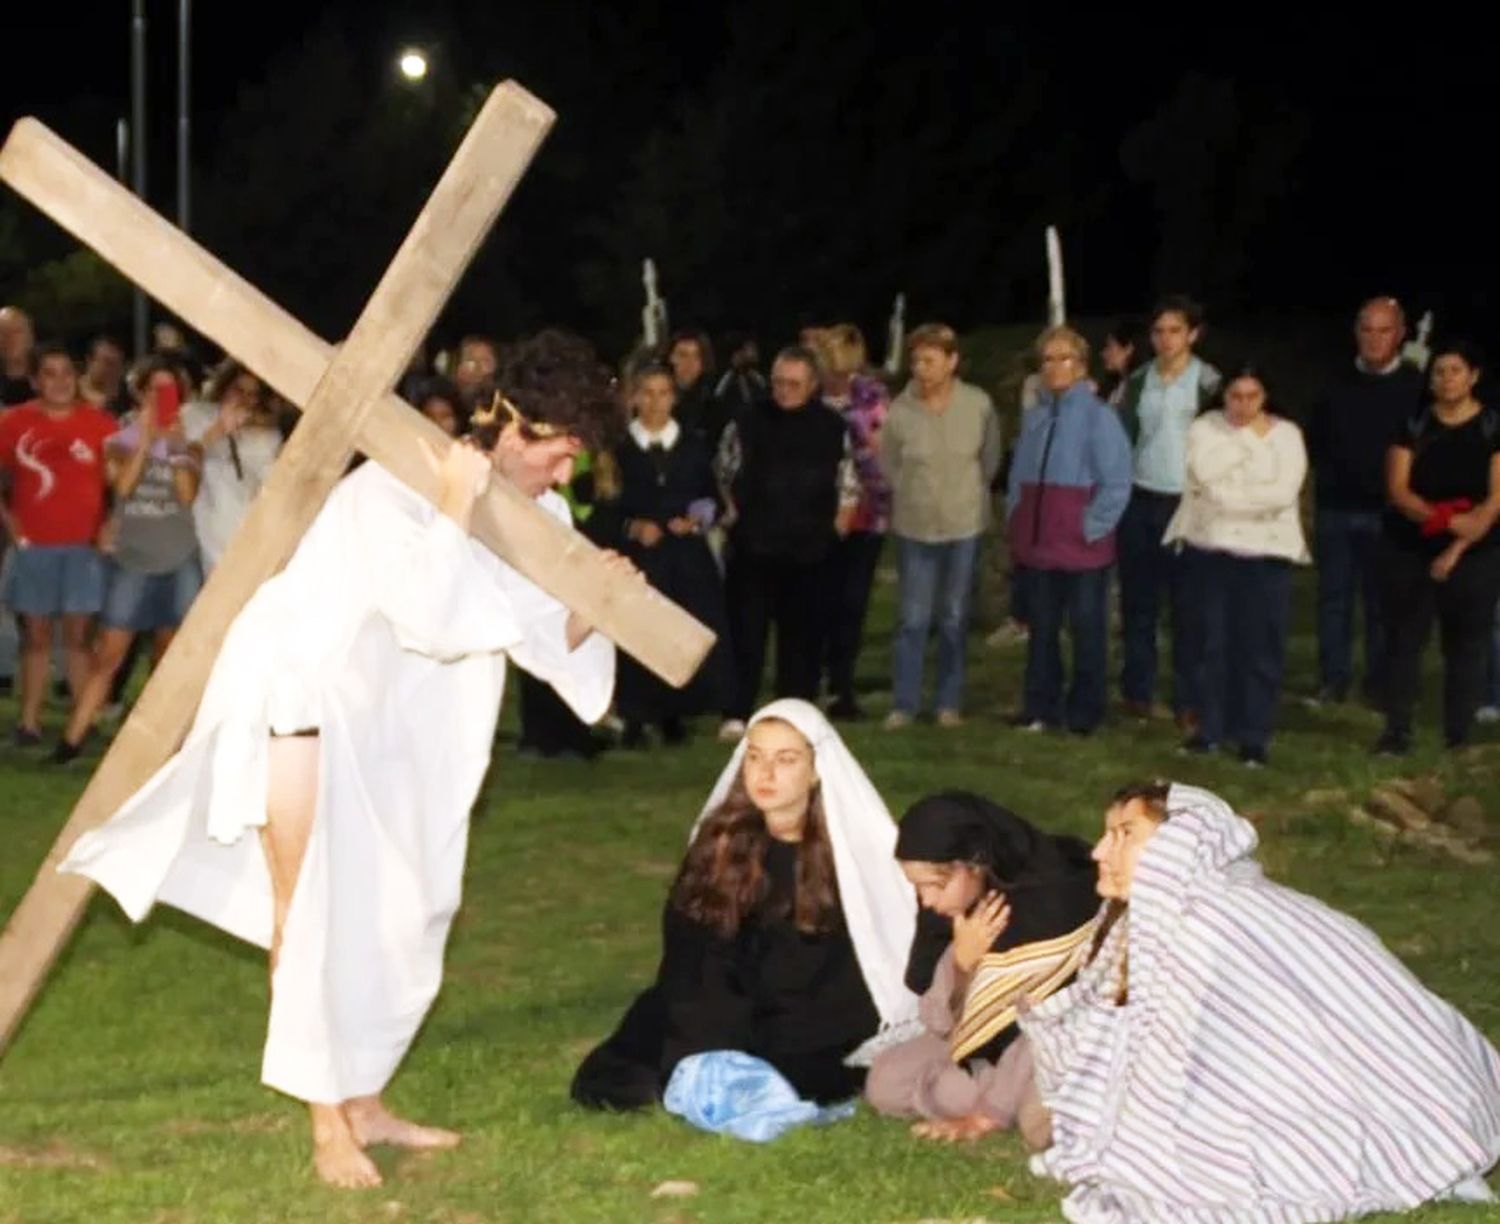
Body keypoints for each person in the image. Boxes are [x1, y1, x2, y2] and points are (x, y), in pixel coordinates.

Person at [60, 329, 625, 1189]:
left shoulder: (540, 516)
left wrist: (597, 605)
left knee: (406, 908)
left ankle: (363, 1098)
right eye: (560, 457)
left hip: (406, 736)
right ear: (516, 428)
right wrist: (449, 509)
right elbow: (428, 613)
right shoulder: (395, 489)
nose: (563, 479)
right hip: (302, 699)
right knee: (314, 906)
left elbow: (539, 640)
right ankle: (327, 1125)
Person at [1021, 781, 1500, 1221]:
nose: (1103, 850)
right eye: (1107, 834)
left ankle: (1413, 1155)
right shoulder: (1168, 916)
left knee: (1202, 1166)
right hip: (1351, 1087)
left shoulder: (1211, 920)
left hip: (1385, 1092)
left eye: (1125, 834)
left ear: (1178, 843)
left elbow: (1245, 1059)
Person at [570, 698, 920, 1111]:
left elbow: (872, 952)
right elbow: (692, 945)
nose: (765, 774)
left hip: (812, 1014)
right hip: (723, 999)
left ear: (815, 772)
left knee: (800, 1070)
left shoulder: (850, 854)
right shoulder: (720, 842)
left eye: (785, 759)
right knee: (630, 1064)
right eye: (755, 757)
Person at [864, 792, 1098, 1143]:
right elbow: (937, 1021)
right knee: (885, 1080)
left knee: (956, 1090)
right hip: (979, 1036)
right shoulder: (966, 903)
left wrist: (989, 1112)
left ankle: (1006, 1099)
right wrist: (961, 962)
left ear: (974, 863)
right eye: (917, 888)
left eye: (935, 885)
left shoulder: (1052, 906)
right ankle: (971, 1087)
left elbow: (1047, 1023)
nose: (927, 901)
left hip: (1043, 1046)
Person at [53, 357, 204, 762]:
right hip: (134, 562)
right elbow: (122, 485)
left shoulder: (188, 446)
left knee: (166, 657)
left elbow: (187, 495)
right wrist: (145, 438)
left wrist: (172, 445)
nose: (160, 399)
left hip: (179, 561)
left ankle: (160, 745)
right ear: (139, 393)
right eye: (153, 390)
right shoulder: (118, 440)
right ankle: (71, 741)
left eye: (169, 391)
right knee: (108, 656)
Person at [1165, 366, 1309, 766]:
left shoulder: (1287, 434)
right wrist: (1248, 441)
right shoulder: (1205, 429)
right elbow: (1205, 476)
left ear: (1266, 398)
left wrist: (1232, 497)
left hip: (1266, 557)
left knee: (1259, 647)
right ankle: (1210, 729)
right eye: (1235, 396)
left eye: (1252, 397)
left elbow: (1280, 494)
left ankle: (1254, 736)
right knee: (1212, 644)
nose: (1243, 406)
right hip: (1211, 551)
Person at [716, 346, 856, 737]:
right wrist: (732, 516)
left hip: (810, 550)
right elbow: (724, 471)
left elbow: (847, 480)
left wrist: (838, 524)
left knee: (802, 639)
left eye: (793, 384)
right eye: (778, 382)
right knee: (745, 634)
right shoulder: (747, 419)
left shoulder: (831, 425)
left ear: (812, 385)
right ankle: (737, 712)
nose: (783, 390)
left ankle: (794, 712)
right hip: (753, 548)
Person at [1375, 340, 1500, 755]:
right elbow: (1399, 489)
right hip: (1411, 546)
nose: (1447, 380)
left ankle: (1458, 734)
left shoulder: (1491, 426)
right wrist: (1444, 520)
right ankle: (1397, 731)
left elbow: (1493, 503)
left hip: (1475, 552)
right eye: (1439, 372)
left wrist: (1457, 547)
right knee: (1405, 639)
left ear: (1473, 376)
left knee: (1466, 642)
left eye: (1456, 371)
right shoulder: (1413, 424)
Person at [1005, 326, 1131, 735]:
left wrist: (1090, 527)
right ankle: (1040, 706)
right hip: (1039, 547)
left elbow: (1116, 483)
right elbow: (1018, 480)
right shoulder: (1036, 418)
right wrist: (1017, 521)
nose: (1055, 367)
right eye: (1048, 359)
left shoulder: (1100, 418)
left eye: (1065, 359)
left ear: (1081, 366)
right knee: (1042, 631)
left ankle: (1085, 711)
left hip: (1082, 549)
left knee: (1086, 631)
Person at [880, 324, 1001, 729]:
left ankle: (949, 702)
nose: (921, 369)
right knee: (912, 620)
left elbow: (989, 461)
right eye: (916, 360)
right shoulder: (900, 411)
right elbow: (890, 465)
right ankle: (905, 703)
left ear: (951, 362)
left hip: (963, 525)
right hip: (915, 528)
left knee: (953, 618)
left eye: (930, 360)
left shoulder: (977, 405)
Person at [1306, 297, 1425, 706]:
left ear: (1401, 334)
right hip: (1336, 509)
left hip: (1388, 515)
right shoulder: (1332, 382)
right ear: (1356, 333)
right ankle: (1332, 681)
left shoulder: (1415, 388)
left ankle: (1378, 684)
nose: (1374, 339)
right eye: (1367, 329)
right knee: (1333, 601)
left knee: (1383, 605)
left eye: (1384, 330)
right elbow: (1316, 440)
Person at [0, 344, 118, 743]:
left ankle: (81, 725)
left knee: (77, 638)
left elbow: (130, 477)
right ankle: (29, 722)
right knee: (35, 637)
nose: (60, 381)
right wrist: (10, 523)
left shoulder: (101, 424)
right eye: (49, 373)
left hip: (83, 547)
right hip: (34, 547)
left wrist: (112, 524)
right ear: (35, 381)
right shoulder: (15, 423)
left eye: (67, 372)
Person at [1115, 295, 1222, 729]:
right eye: (1159, 331)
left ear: (1193, 334)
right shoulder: (1139, 381)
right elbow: (1125, 435)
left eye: (1175, 330)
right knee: (1139, 603)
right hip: (1142, 498)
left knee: (1188, 607)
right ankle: (1137, 692)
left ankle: (1188, 697)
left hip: (1188, 501)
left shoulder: (1209, 382)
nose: (1166, 339)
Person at [615, 363, 733, 745]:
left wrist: (695, 520)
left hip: (684, 559)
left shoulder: (693, 445)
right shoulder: (619, 449)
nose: (654, 402)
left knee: (682, 628)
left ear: (674, 398)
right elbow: (602, 505)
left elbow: (711, 497)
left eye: (663, 393)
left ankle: (675, 713)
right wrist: (632, 527)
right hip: (639, 558)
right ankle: (634, 714)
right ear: (634, 397)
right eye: (646, 393)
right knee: (637, 631)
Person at [812, 324, 892, 720]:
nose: (838, 377)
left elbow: (880, 452)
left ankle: (842, 686)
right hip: (817, 515)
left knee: (852, 602)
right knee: (818, 601)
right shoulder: (811, 398)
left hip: (867, 515)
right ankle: (813, 681)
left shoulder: (872, 398)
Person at [183, 361, 283, 572]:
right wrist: (220, 428)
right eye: (239, 389)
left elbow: (272, 484)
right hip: (208, 540)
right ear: (224, 386)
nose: (244, 398)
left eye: (252, 393)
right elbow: (186, 456)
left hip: (251, 540)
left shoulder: (267, 436)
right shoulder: (197, 414)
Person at [666, 330, 724, 446]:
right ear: (671, 357)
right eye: (683, 355)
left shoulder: (713, 407)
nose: (689, 363)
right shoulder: (658, 397)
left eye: (696, 356)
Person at [1096, 318, 1144, 408]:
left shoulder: (1142, 387)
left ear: (1128, 349)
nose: (1104, 354)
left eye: (1109, 347)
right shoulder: (1116, 387)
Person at [79, 336, 130, 417]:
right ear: (90, 361)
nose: (113, 369)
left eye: (118, 363)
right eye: (108, 363)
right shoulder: (69, 394)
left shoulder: (129, 395)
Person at [0, 305, 37, 406]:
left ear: (30, 336)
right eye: (2, 332)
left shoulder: (51, 378)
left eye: (16, 331)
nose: (9, 338)